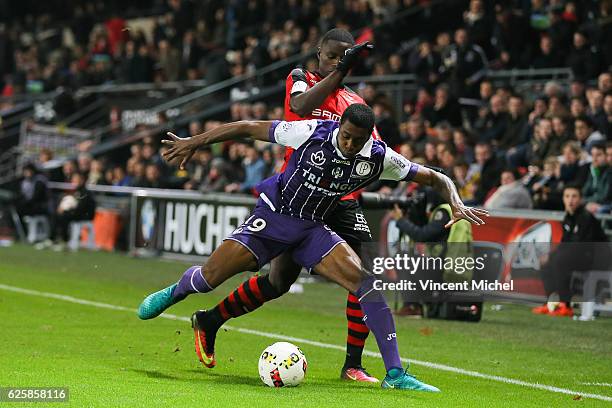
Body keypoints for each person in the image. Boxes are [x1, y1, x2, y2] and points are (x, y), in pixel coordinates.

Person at [138, 104, 488, 391]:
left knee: (366, 283)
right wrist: (196, 142)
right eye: (346, 137)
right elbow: (247, 127)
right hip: (274, 217)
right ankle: (178, 291)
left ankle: (395, 374)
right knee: (210, 278)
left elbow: (434, 177)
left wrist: (455, 200)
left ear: (368, 137)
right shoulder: (310, 132)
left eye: (357, 140)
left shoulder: (378, 157)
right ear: (339, 128)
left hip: (312, 229)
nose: (350, 145)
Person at [190, 28, 382, 383]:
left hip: (339, 201)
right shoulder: (300, 79)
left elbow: (374, 156)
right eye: (332, 56)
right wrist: (340, 73)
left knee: (364, 275)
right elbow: (299, 108)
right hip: (296, 196)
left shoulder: (355, 105)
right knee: (278, 282)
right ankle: (210, 319)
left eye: (344, 57)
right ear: (318, 52)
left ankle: (353, 364)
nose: (338, 62)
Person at [532, 185, 610, 317]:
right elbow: (565, 243)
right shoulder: (568, 217)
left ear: (580, 200)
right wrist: (549, 256)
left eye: (574, 196)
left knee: (560, 261)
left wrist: (556, 256)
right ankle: (551, 303)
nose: (570, 200)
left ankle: (565, 304)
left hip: (596, 259)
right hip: (578, 255)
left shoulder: (586, 217)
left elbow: (582, 245)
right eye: (567, 196)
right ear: (563, 199)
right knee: (546, 263)